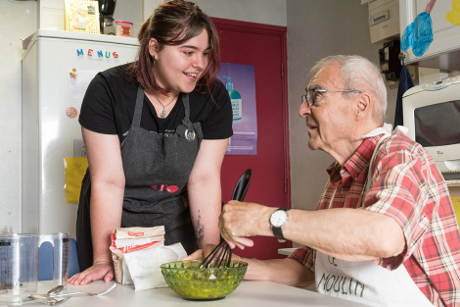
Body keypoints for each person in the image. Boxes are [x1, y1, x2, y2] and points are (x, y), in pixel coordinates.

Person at [186, 55, 460, 307]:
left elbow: (384, 236)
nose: (302, 109)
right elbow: (305, 269)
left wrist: (266, 219)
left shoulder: (402, 155)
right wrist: (233, 266)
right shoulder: (338, 179)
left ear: (360, 105)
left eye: (315, 96)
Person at [69, 0, 232, 285]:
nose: (200, 64)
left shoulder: (212, 96)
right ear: (154, 48)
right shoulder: (108, 90)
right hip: (113, 222)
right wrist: (102, 260)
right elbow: (108, 180)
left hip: (175, 216)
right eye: (188, 52)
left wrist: (209, 249)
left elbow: (203, 179)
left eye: (205, 54)